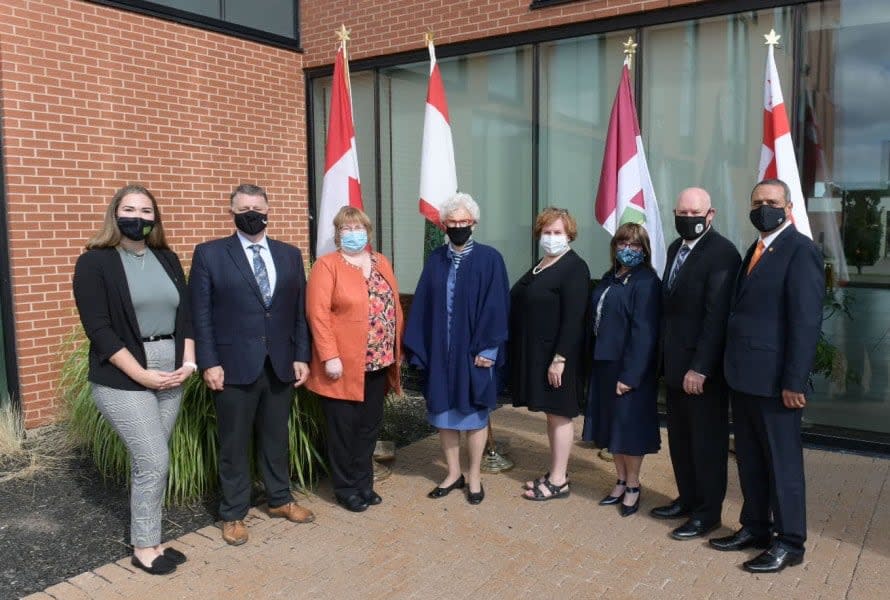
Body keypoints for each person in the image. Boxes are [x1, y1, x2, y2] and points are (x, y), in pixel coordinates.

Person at [73, 185, 195, 575]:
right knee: (152, 459)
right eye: (129, 209)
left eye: (146, 211)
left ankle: (154, 539)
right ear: (115, 213)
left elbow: (186, 316)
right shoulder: (95, 262)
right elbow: (100, 329)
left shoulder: (167, 258)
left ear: (154, 218)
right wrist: (142, 374)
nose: (138, 217)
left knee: (153, 463)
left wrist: (189, 363)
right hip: (123, 372)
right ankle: (144, 547)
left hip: (172, 367)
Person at [189, 183, 314, 546]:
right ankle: (233, 513)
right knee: (234, 442)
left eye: (257, 206)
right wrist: (209, 361)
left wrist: (301, 355)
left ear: (268, 209)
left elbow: (298, 313)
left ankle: (279, 499)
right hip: (232, 366)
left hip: (279, 364)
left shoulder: (289, 255)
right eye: (243, 207)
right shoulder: (210, 254)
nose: (251, 213)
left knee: (277, 437)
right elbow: (201, 315)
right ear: (231, 212)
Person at [710, 179, 824, 573]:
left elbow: (805, 322)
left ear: (788, 207)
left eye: (772, 202)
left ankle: (790, 541)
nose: (764, 208)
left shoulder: (801, 250)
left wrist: (794, 381)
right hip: (744, 377)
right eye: (757, 201)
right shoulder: (754, 249)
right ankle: (756, 527)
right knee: (752, 460)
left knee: (782, 464)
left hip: (777, 383)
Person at [404, 192, 510, 505]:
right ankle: (452, 473)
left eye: (464, 221)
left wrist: (489, 350)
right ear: (444, 225)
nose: (459, 226)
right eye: (453, 222)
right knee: (444, 415)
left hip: (473, 353)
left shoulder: (490, 259)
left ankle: (474, 475)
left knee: (474, 416)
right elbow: (423, 305)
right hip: (441, 353)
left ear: (474, 223)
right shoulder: (436, 259)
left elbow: (498, 306)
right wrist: (421, 350)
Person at [651, 188, 741, 539]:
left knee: (706, 444)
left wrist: (701, 367)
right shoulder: (676, 249)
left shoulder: (723, 254)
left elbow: (716, 317)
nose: (686, 217)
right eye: (681, 211)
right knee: (682, 441)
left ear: (710, 214)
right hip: (674, 367)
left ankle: (708, 513)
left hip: (701, 373)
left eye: (694, 211)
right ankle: (687, 499)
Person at [306, 206, 403, 513]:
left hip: (378, 362)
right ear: (337, 234)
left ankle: (365, 483)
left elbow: (393, 304)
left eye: (358, 228)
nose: (353, 234)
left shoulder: (381, 262)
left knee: (368, 428)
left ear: (368, 231)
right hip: (342, 367)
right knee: (343, 431)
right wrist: (329, 356)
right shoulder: (327, 266)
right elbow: (317, 314)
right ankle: (346, 487)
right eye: (346, 229)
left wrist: (397, 349)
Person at [509, 207, 590, 500]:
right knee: (552, 415)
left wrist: (560, 359)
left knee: (561, 415)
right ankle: (556, 471)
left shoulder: (574, 267)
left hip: (558, 358)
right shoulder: (542, 264)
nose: (551, 237)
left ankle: (558, 481)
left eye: (557, 232)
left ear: (569, 235)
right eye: (547, 232)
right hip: (539, 355)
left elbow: (574, 319)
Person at [582, 222, 661, 517]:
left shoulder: (647, 282)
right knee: (611, 427)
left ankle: (633, 485)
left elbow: (645, 334)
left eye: (635, 245)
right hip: (604, 364)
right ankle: (619, 480)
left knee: (629, 430)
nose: (628, 249)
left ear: (645, 250)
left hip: (629, 369)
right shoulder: (609, 277)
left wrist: (630, 376)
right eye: (623, 243)